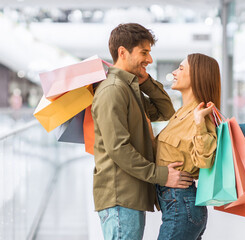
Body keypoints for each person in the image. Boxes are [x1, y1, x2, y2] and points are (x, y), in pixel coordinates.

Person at [92, 23, 194, 240]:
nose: (149, 60)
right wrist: (162, 175)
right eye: (144, 53)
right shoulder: (113, 90)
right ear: (123, 52)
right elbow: (119, 149)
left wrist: (146, 81)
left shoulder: (128, 89)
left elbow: (165, 111)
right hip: (120, 196)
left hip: (129, 195)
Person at [155, 53, 221, 240]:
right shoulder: (180, 114)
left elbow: (203, 160)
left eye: (181, 68)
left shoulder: (201, 114)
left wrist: (200, 122)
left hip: (181, 206)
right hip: (176, 205)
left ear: (197, 76)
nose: (175, 72)